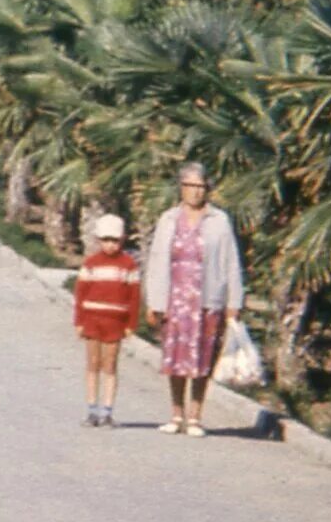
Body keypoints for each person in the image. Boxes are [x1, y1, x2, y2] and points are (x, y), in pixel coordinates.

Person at [140, 162, 242, 436]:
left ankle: (195, 416)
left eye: (200, 186)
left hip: (208, 298)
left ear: (207, 188)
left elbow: (231, 261)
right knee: (175, 358)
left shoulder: (219, 221)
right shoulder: (169, 219)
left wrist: (234, 301)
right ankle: (176, 414)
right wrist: (154, 302)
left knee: (202, 358)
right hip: (176, 299)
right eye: (190, 186)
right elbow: (157, 260)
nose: (195, 192)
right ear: (181, 188)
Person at [72, 213, 142, 427]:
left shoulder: (128, 265)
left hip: (115, 322)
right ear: (98, 240)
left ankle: (107, 410)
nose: (110, 245)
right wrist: (79, 321)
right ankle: (92, 409)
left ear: (122, 239)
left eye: (115, 240)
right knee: (92, 363)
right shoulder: (91, 263)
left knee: (110, 365)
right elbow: (81, 294)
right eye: (106, 240)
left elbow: (134, 297)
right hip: (93, 319)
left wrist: (131, 324)